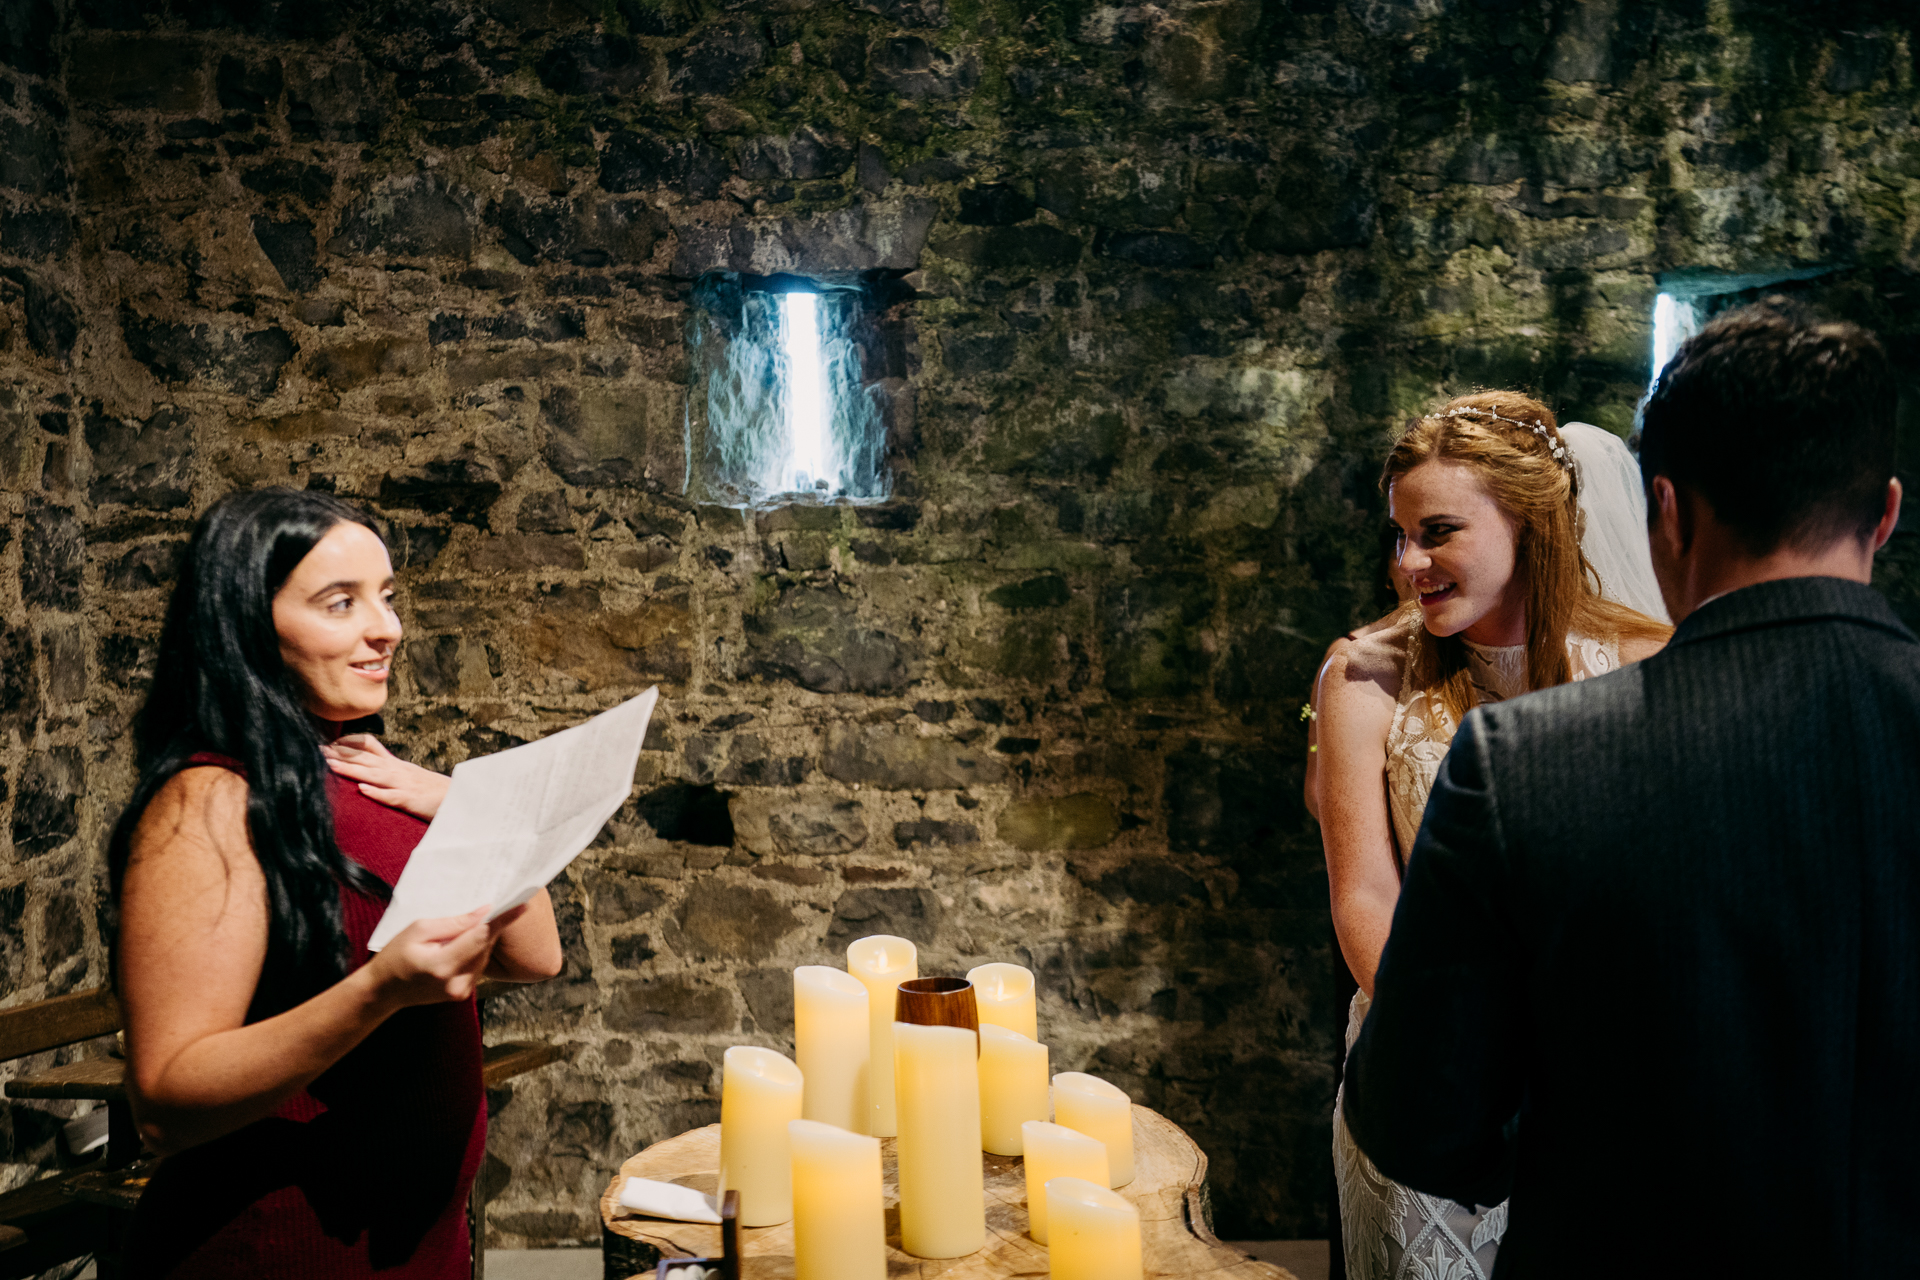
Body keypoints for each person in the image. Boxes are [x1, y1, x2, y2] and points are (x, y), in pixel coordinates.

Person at [1341, 300, 1911, 1276]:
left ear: (1670, 513)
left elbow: (1418, 1112)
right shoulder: (1379, 682)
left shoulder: (1527, 761)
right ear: (1888, 512)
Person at [110, 487, 564, 1279]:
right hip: (281, 1251)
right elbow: (166, 1100)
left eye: (386, 598)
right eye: (340, 603)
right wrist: (379, 990)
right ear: (250, 624)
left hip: (418, 1246)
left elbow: (536, 954)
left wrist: (471, 806)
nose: (385, 628)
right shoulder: (210, 799)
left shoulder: (363, 768)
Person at [1310, 391, 1671, 1280]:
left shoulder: (1647, 666)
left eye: (1438, 532)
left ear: (1532, 522)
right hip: (1420, 1078)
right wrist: (1459, 1059)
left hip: (1599, 1084)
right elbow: (1364, 895)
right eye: (1398, 537)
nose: (1408, 563)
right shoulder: (1363, 678)